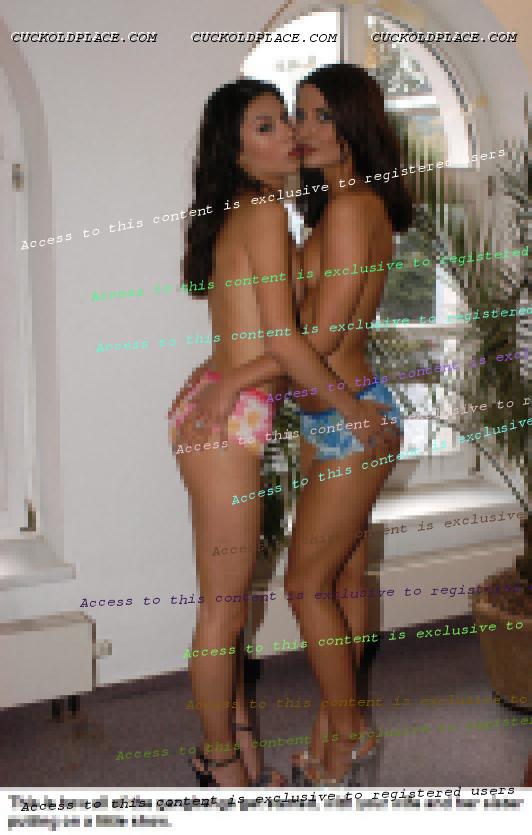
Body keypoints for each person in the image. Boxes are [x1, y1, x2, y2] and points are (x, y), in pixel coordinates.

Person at [190, 63, 413, 785]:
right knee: (343, 584)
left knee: (305, 587)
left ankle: (347, 734)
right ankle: (335, 739)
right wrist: (221, 370)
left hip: (350, 419)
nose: (302, 130)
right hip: (331, 417)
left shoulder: (350, 210)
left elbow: (313, 336)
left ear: (353, 124)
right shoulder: (333, 207)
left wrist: (233, 379)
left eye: (319, 115)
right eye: (295, 116)